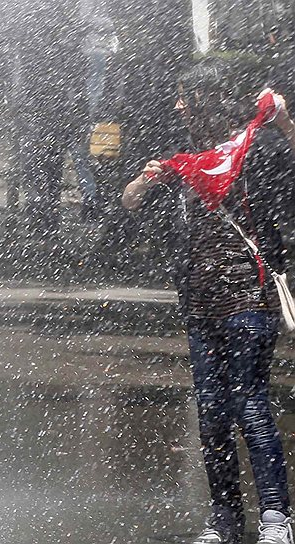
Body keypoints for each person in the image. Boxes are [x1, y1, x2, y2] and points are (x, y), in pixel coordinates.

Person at [122, 59, 295, 544]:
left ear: (205, 100)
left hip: (248, 299)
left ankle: (277, 519)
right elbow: (129, 201)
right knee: (213, 414)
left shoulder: (253, 148)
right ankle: (223, 521)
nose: (177, 105)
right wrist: (142, 181)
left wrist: (282, 119)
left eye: (184, 96)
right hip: (200, 307)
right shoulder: (187, 162)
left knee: (252, 406)